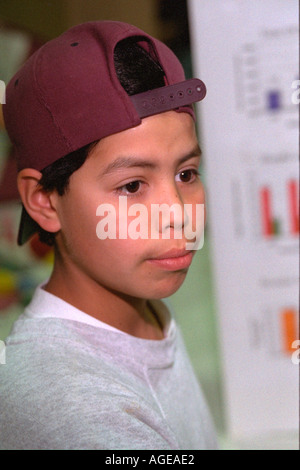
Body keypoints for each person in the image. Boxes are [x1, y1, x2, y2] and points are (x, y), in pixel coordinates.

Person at [0, 21, 217, 450]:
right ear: (44, 200)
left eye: (186, 173)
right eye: (132, 186)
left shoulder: (142, 305)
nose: (177, 214)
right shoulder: (76, 414)